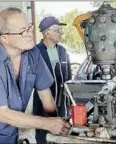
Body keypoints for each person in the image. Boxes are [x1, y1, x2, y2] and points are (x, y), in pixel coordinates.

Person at [0, 8, 70, 144]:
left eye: (29, 28)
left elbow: (45, 94)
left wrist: (56, 123)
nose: (30, 34)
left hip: (15, 129)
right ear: (5, 38)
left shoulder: (33, 54)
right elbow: (3, 114)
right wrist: (47, 124)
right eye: (23, 31)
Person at [33, 16, 72, 144]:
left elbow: (69, 77)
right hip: (42, 103)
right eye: (57, 30)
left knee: (62, 132)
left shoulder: (62, 51)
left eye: (61, 30)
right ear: (47, 33)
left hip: (63, 103)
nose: (61, 33)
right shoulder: (35, 53)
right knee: (43, 135)